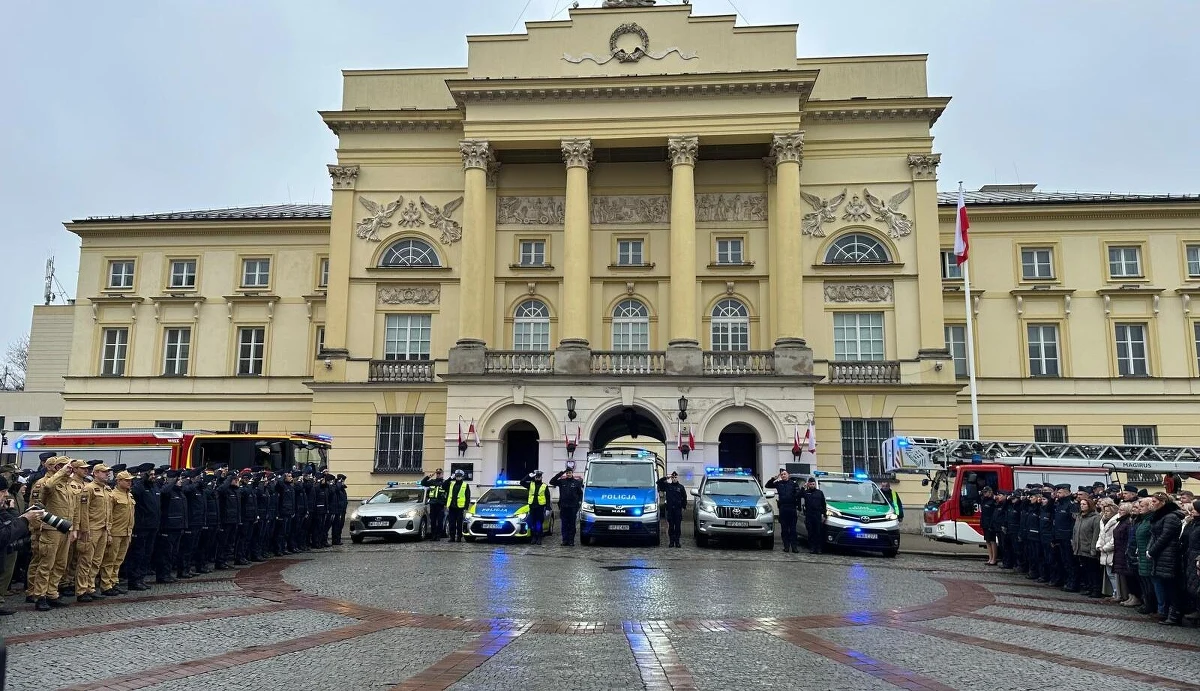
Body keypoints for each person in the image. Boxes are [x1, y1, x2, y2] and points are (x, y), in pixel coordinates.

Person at [28, 456, 76, 611]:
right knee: (46, 564)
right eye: (63, 466)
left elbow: (73, 509)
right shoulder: (46, 482)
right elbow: (47, 488)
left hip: (65, 527)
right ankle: (40, 595)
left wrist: (73, 528)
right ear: (55, 467)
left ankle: (52, 593)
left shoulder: (68, 485)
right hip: (50, 528)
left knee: (60, 564)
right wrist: (61, 473)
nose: (68, 469)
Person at [74, 463, 112, 602]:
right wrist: (84, 530)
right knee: (86, 560)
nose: (107, 474)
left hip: (103, 529)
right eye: (104, 472)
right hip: (91, 529)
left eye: (108, 472)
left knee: (96, 561)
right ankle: (81, 590)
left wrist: (109, 529)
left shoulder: (107, 489)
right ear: (95, 473)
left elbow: (109, 512)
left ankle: (90, 587)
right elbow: (83, 511)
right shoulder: (88, 489)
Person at [1145, 491, 1184, 625]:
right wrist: (1150, 549)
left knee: (1171, 586)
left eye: (1154, 502)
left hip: (1169, 555)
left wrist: (1152, 551)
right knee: (1166, 585)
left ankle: (1174, 615)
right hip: (1162, 555)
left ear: (1163, 503)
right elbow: (1154, 535)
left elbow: (1164, 537)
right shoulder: (1160, 516)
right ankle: (1168, 613)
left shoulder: (1170, 517)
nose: (1152, 504)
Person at [99, 470, 136, 597]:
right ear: (119, 481)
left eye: (130, 480)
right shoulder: (113, 495)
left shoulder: (129, 495)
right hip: (115, 532)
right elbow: (108, 515)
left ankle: (114, 582)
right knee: (110, 559)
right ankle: (106, 585)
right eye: (127, 480)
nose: (129, 482)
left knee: (119, 560)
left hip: (126, 532)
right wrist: (108, 532)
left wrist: (130, 532)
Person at [1071, 495, 1102, 598]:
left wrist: (1093, 549)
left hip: (1089, 548)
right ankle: (1089, 587)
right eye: (1081, 504)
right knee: (1086, 570)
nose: (1082, 506)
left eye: (1084, 504)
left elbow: (1095, 534)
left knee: (1093, 570)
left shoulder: (1095, 518)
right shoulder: (1079, 517)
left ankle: (1096, 589)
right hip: (1080, 548)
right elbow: (1075, 532)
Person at [1113, 502, 1141, 607]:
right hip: (1122, 551)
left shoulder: (1128, 523)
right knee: (1127, 576)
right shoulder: (1124, 521)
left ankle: (1135, 597)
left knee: (1130, 576)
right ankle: (1131, 596)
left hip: (1126, 551)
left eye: (1122, 510)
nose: (1119, 512)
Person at [766, 470, 800, 553]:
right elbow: (767, 485)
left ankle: (794, 547)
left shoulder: (793, 483)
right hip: (783, 508)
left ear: (788, 475)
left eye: (785, 474)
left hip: (792, 508)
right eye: (782, 475)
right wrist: (773, 478)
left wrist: (798, 506)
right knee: (784, 529)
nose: (783, 475)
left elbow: (798, 495)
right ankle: (786, 547)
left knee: (793, 529)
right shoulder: (779, 483)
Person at [1051, 484, 1078, 589]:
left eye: (1060, 492)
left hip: (1067, 538)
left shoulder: (1071, 505)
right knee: (1063, 561)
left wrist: (1072, 538)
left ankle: (1073, 583)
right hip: (1059, 537)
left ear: (1067, 492)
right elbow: (1055, 522)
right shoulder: (1059, 504)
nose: (1058, 494)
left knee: (1070, 561)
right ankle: (1066, 580)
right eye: (1057, 492)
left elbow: (1073, 523)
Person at [550, 465, 584, 546]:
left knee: (572, 525)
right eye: (567, 473)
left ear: (572, 473)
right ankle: (565, 540)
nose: (568, 474)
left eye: (570, 473)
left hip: (573, 507)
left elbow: (580, 494)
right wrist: (561, 473)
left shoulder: (577, 483)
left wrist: (578, 504)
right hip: (564, 506)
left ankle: (571, 540)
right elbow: (552, 481)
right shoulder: (562, 482)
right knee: (564, 524)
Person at [655, 471, 687, 548]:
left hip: (678, 510)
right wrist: (666, 478)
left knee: (678, 527)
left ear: (677, 478)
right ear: (671, 478)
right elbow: (658, 482)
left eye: (675, 477)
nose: (674, 479)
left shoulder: (681, 487)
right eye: (672, 477)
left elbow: (684, 498)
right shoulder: (668, 486)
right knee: (671, 527)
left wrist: (684, 507)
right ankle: (671, 542)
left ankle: (677, 542)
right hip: (670, 510)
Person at [520, 470, 551, 545]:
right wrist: (528, 476)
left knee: (539, 523)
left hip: (540, 507)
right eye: (536, 477)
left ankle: (539, 537)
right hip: (532, 506)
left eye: (539, 477)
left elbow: (547, 497)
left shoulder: (544, 486)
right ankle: (534, 537)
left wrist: (547, 508)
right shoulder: (531, 484)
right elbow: (522, 482)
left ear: (541, 477)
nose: (537, 478)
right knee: (532, 523)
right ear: (535, 477)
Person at [801, 476, 827, 555]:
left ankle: (818, 548)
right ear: (808, 484)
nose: (812, 485)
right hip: (809, 515)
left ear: (815, 484)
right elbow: (799, 495)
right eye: (810, 484)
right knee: (811, 532)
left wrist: (824, 514)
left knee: (818, 532)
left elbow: (823, 504)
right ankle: (812, 548)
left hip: (817, 514)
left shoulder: (819, 492)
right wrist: (803, 488)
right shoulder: (806, 492)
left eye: (813, 484)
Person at [444, 469, 471, 543]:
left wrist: (466, 508)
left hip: (460, 508)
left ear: (462, 477)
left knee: (459, 524)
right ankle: (452, 537)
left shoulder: (465, 485)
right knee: (451, 523)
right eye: (456, 476)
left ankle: (459, 537)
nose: (458, 477)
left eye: (459, 476)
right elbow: (443, 485)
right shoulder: (451, 484)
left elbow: (467, 497)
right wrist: (450, 478)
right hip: (452, 507)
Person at [421, 469, 447, 540]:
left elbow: (448, 493)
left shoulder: (444, 482)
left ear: (442, 474)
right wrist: (428, 477)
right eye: (437, 473)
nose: (438, 475)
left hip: (440, 505)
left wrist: (446, 503)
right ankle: (433, 536)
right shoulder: (432, 482)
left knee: (440, 521)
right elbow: (422, 483)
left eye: (439, 473)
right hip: (433, 504)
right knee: (433, 521)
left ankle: (438, 536)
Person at [978, 486, 998, 566]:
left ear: (990, 492)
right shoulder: (984, 500)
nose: (984, 494)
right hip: (985, 523)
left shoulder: (993, 501)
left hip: (991, 524)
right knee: (987, 541)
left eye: (986, 492)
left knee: (992, 541)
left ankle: (994, 559)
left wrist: (992, 524)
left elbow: (994, 514)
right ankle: (990, 558)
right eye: (984, 492)